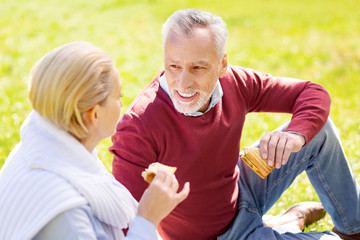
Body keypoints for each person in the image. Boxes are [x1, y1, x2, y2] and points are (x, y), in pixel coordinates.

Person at [110, 9, 360, 240]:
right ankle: (285, 223)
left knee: (319, 131)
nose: (182, 82)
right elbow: (124, 223)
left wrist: (296, 134)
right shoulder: (138, 126)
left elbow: (311, 93)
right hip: (217, 236)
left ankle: (353, 228)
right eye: (174, 66)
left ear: (222, 65)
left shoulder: (234, 82)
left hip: (241, 189)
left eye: (198, 67)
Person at [0, 41, 190, 240]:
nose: (122, 104)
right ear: (95, 114)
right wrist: (147, 218)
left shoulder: (36, 148)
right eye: (118, 96)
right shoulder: (69, 217)